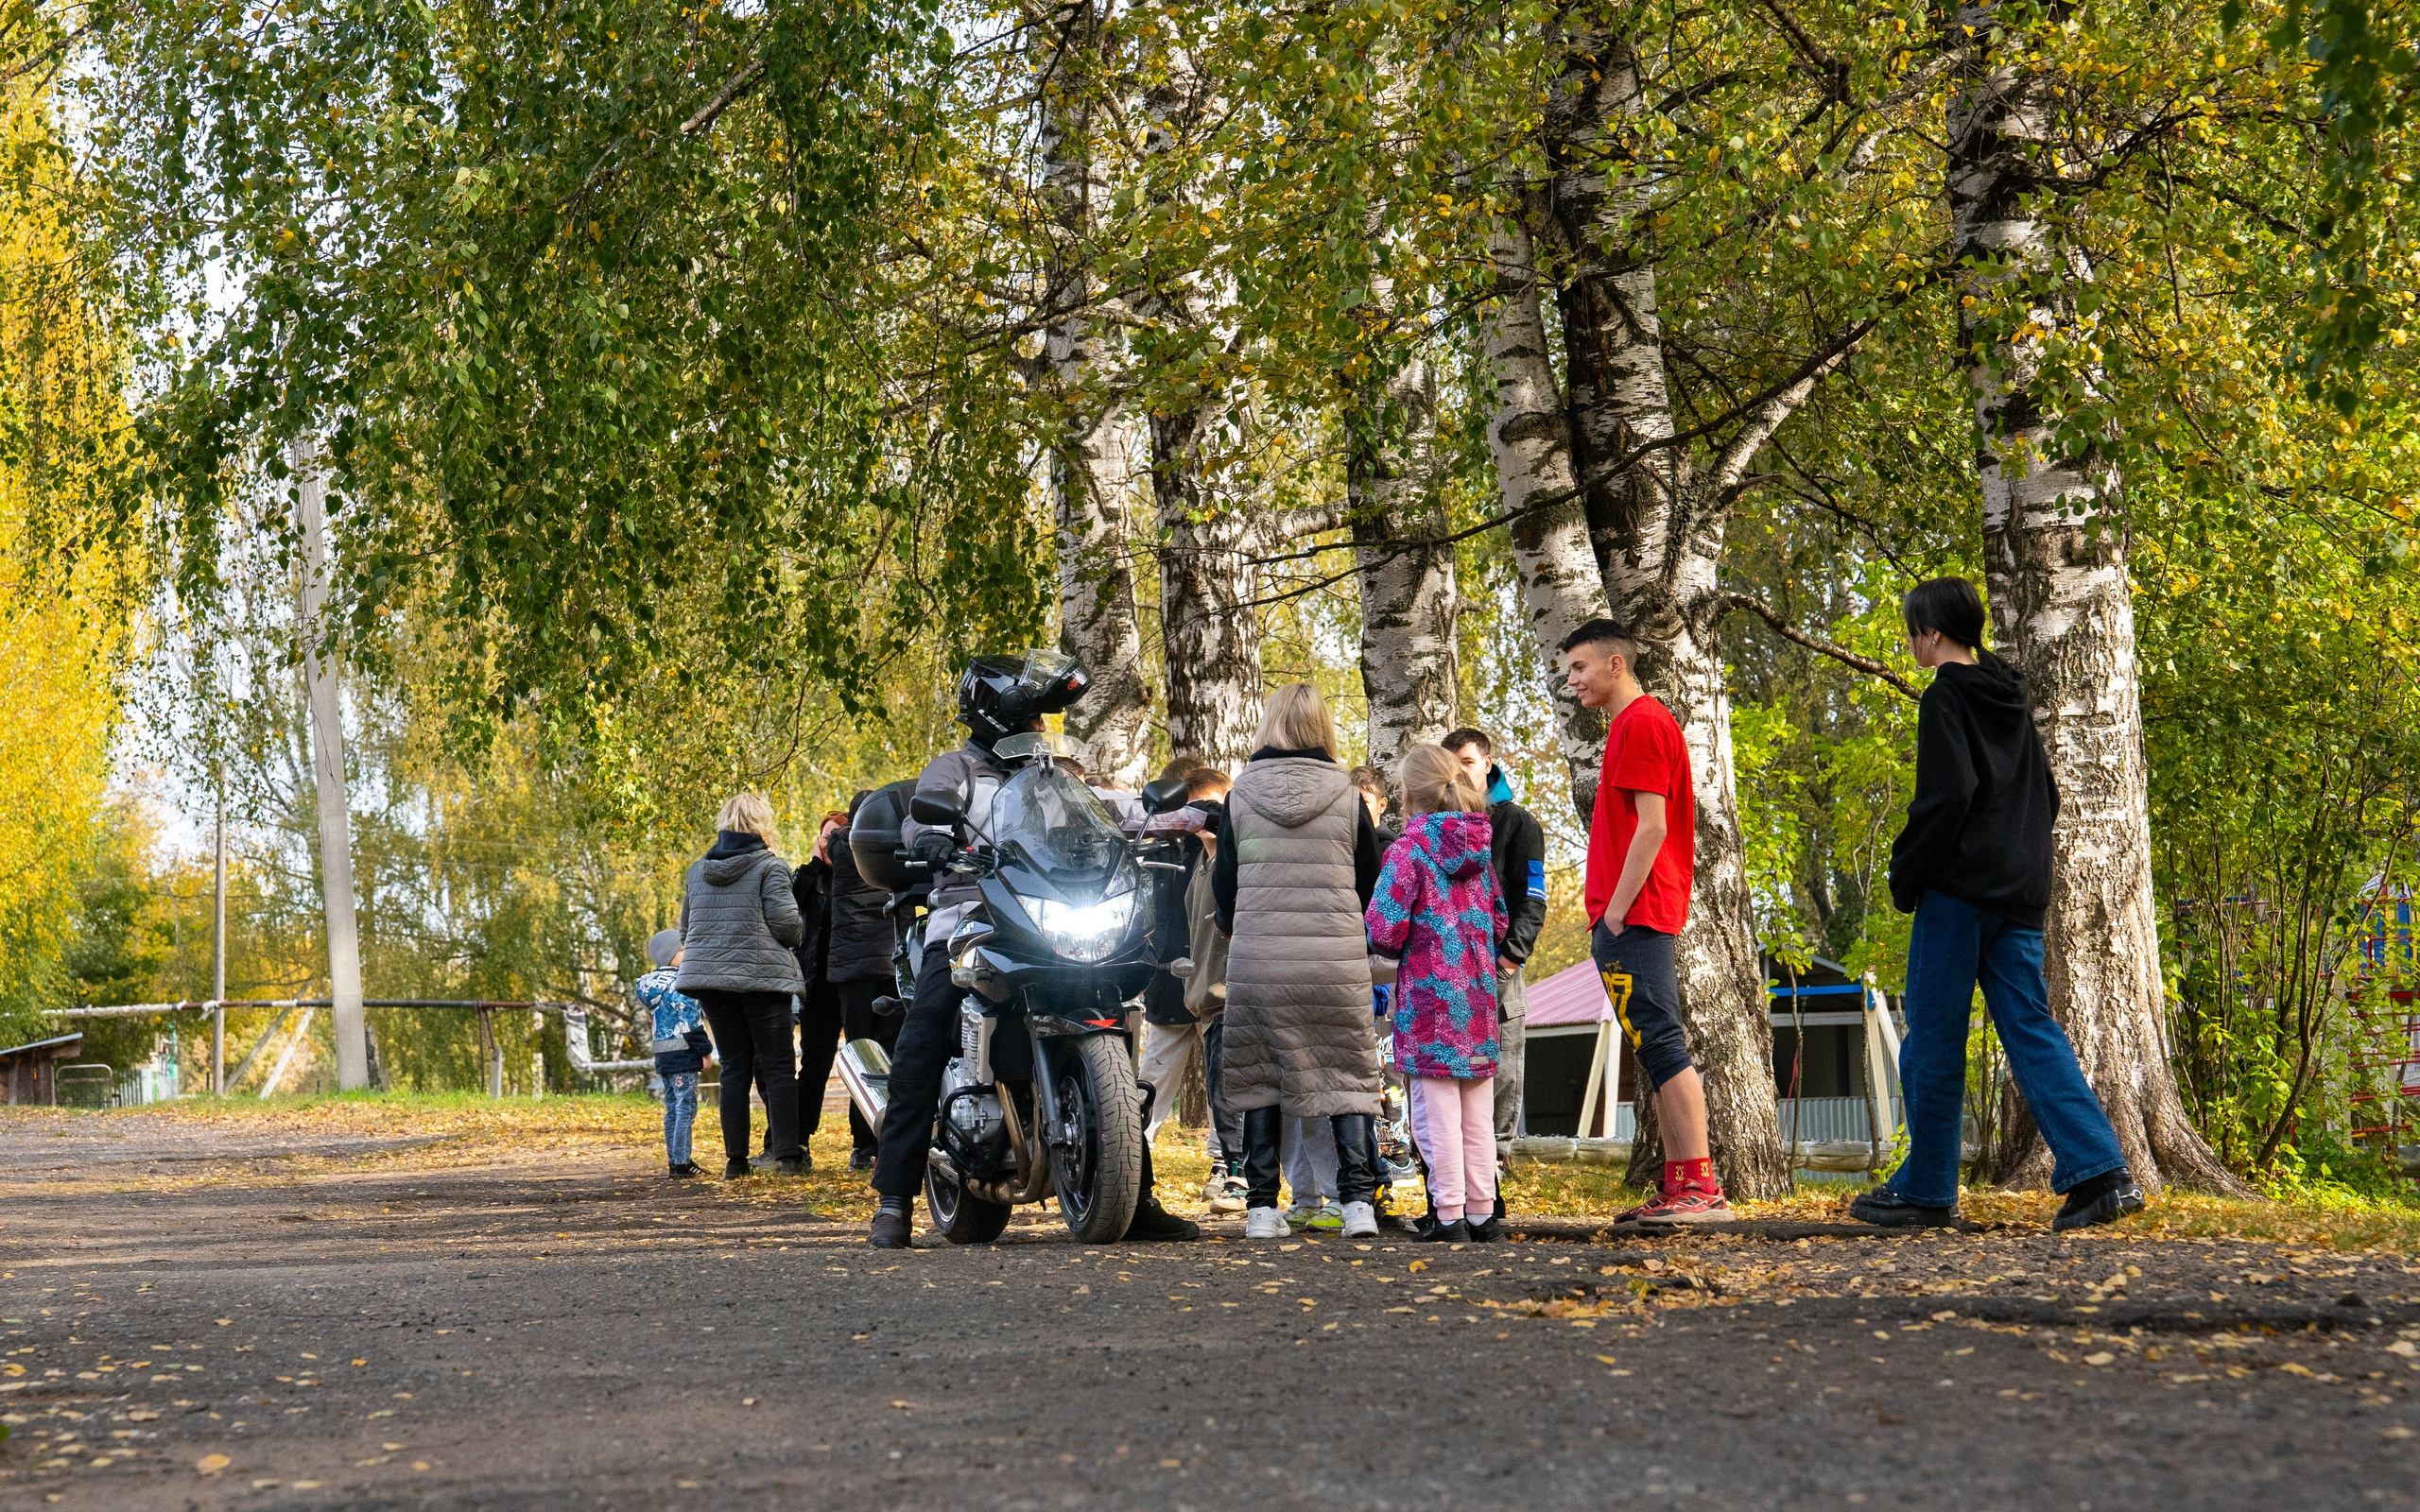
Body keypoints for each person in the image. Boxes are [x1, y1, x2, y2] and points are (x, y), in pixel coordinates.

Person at [869, 651, 1199, 1249]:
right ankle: (894, 1200)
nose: (1041, 729)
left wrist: (1187, 814)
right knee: (921, 1041)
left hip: (1044, 914)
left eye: (1043, 720)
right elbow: (921, 820)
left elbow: (1112, 808)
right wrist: (936, 842)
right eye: (1032, 718)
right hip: (970, 916)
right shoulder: (956, 771)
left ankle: (1135, 1194)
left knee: (1116, 1030)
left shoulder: (1055, 775)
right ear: (995, 716)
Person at [1851, 577, 2146, 1232]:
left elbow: (1947, 796)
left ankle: (1927, 1189)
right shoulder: (2011, 698)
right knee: (2032, 1029)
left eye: (1912, 630)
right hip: (2021, 894)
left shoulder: (1946, 697)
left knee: (1932, 1035)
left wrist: (1908, 872)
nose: (1911, 642)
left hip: (1960, 894)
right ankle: (2102, 1172)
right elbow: (2047, 792)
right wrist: (2019, 857)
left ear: (1931, 632)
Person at [1563, 619, 1734, 1222]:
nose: (1573, 681)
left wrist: (1612, 912)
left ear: (1616, 664)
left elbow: (1653, 826)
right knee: (1651, 1046)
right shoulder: (1633, 725)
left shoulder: (1639, 723)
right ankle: (1681, 1184)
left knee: (1661, 1041)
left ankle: (1702, 1191)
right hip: (1630, 914)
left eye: (1580, 667)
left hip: (1634, 913)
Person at [1213, 682, 1386, 1241]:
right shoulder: (1346, 795)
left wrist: (1239, 923)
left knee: (1261, 1077)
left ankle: (1262, 1209)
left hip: (1260, 956)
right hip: (1333, 957)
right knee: (1349, 1075)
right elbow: (1370, 879)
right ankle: (1358, 1204)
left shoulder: (1239, 796)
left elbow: (1224, 886)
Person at [1366, 745, 1510, 1243]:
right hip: (1477, 998)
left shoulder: (1408, 852)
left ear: (1408, 794)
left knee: (1436, 1118)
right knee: (1478, 1116)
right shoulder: (1480, 849)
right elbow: (1500, 920)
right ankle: (1481, 1213)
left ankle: (1447, 1214)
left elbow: (1383, 929)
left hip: (1429, 1003)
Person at [677, 793, 806, 1179]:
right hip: (762, 980)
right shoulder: (770, 867)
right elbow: (787, 926)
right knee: (779, 1067)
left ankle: (735, 1162)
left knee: (733, 1067)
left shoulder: (698, 871)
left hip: (713, 982)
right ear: (761, 824)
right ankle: (787, 1156)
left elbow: (686, 930)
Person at [1442, 729, 1548, 1157]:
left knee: (1502, 1066)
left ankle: (1496, 1165)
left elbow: (1534, 898)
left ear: (1487, 763)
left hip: (1498, 966)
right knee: (1448, 1071)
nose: (1461, 773)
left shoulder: (1518, 822)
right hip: (1446, 969)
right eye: (1453, 766)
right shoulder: (1435, 823)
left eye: (1467, 762)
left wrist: (1510, 957)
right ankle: (1452, 1170)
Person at [794, 799, 899, 1170]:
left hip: (851, 973)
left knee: (864, 1056)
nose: (826, 843)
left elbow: (834, 843)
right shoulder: (890, 848)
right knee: (873, 1056)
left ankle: (863, 1143)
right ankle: (869, 1144)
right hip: (857, 974)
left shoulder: (847, 850)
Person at [1174, 766, 1246, 1211]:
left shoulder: (1236, 858)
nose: (1201, 816)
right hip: (1203, 997)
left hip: (1231, 994)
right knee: (1223, 1091)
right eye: (1192, 807)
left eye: (1212, 805)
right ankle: (1234, 1169)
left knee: (1232, 1091)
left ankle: (1239, 1176)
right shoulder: (1197, 860)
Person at [638, 929, 712, 1177]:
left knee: (672, 1108)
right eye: (681, 950)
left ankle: (675, 1160)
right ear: (668, 955)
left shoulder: (651, 986)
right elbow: (692, 1021)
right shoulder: (682, 983)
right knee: (685, 1109)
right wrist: (705, 1051)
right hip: (684, 1053)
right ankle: (682, 1163)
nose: (686, 953)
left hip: (663, 1055)